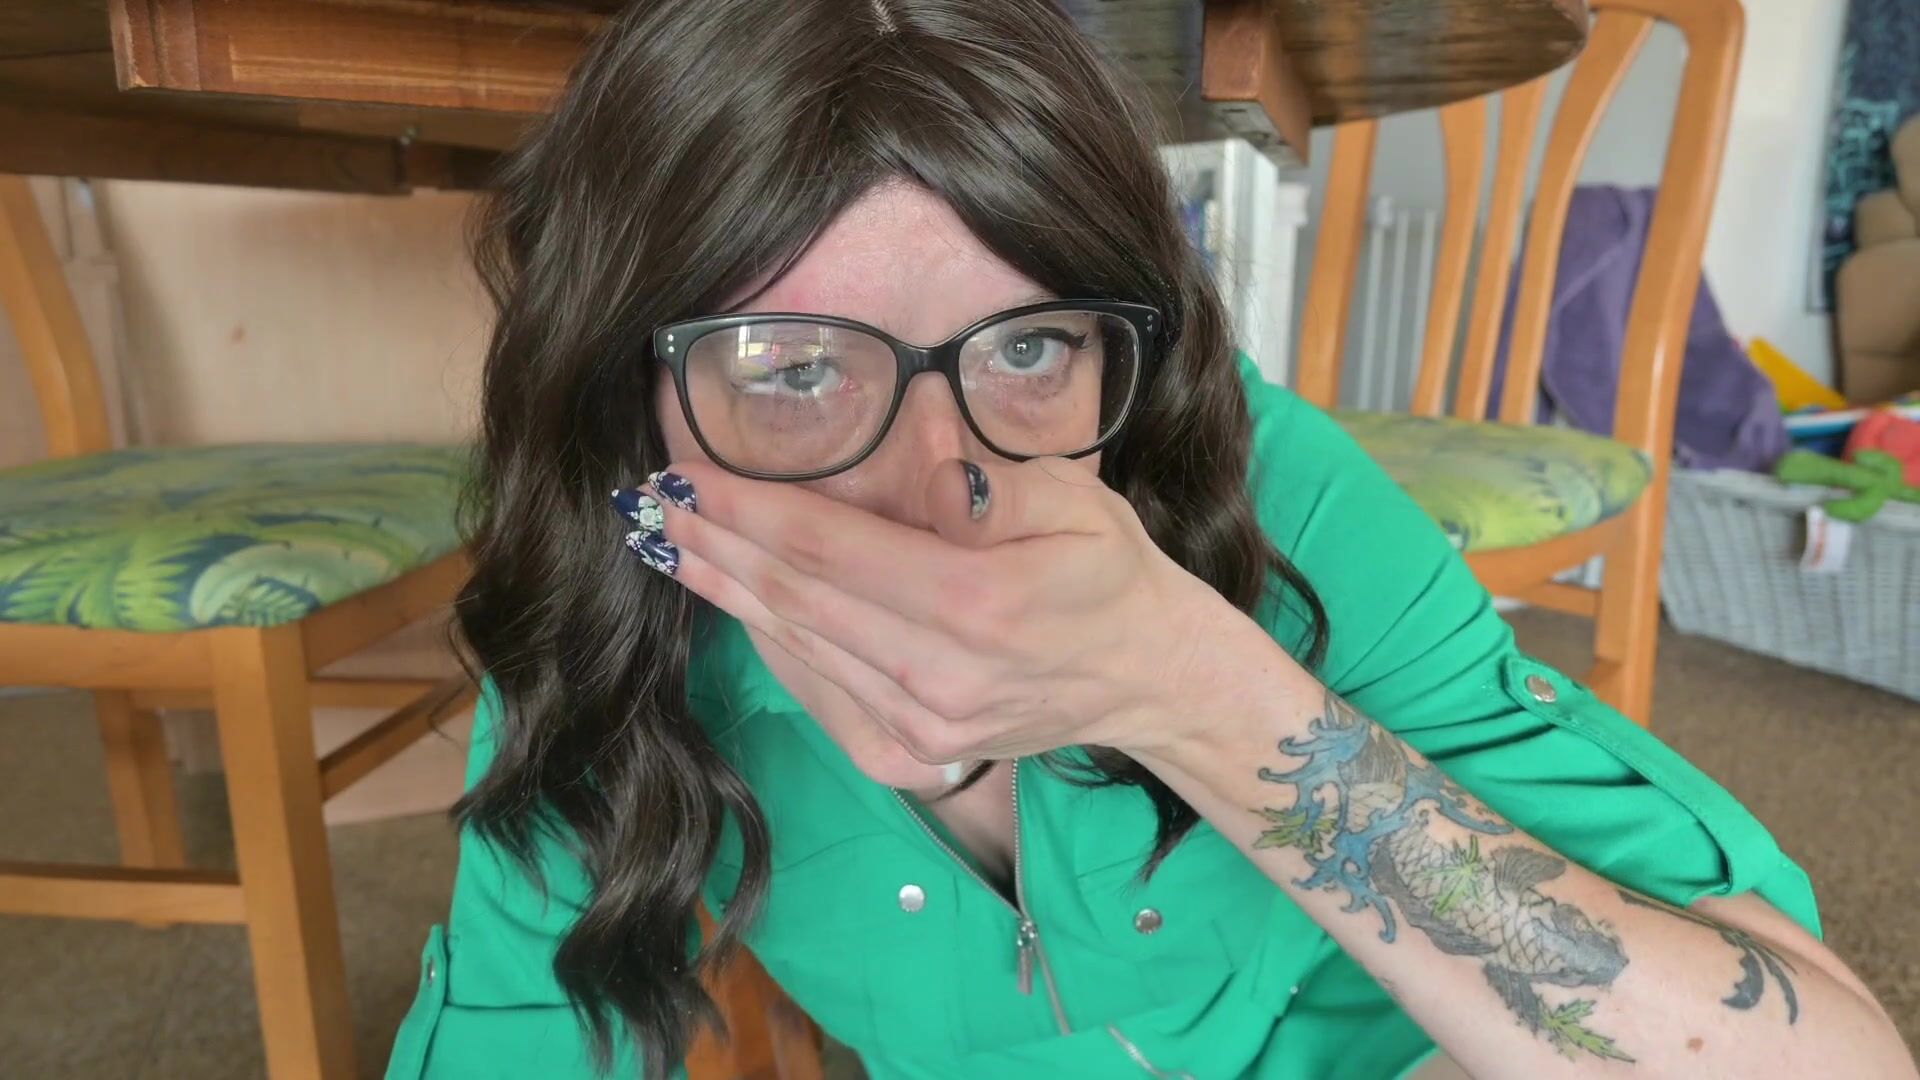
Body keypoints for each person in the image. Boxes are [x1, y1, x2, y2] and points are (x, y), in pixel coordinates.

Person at [386, 0, 1916, 1077]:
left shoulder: (1272, 488)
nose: (943, 490)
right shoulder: (614, 600)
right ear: (626, 398)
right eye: (790, 368)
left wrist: (1199, 691)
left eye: (1029, 348)